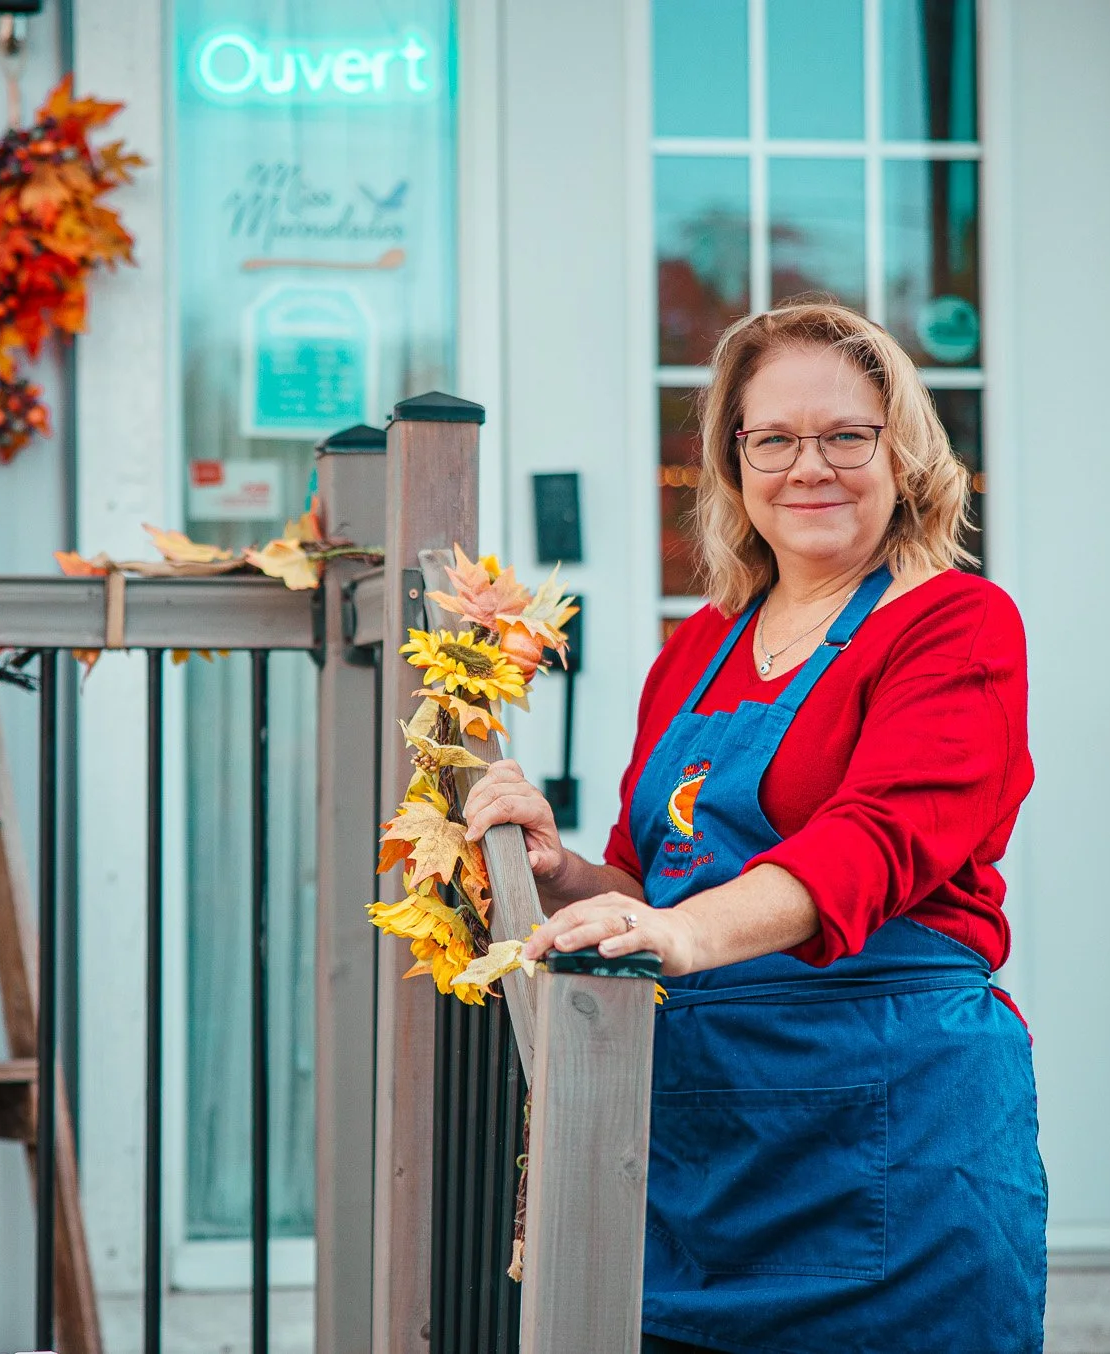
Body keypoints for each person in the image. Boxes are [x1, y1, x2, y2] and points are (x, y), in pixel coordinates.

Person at [462, 301, 1046, 1354]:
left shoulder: (954, 621)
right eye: (771, 438)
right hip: (707, 1147)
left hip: (893, 1136)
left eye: (844, 436)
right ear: (733, 465)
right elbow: (651, 887)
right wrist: (564, 874)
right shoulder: (695, 651)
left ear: (901, 453)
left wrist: (684, 935)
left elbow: (869, 842)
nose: (807, 466)